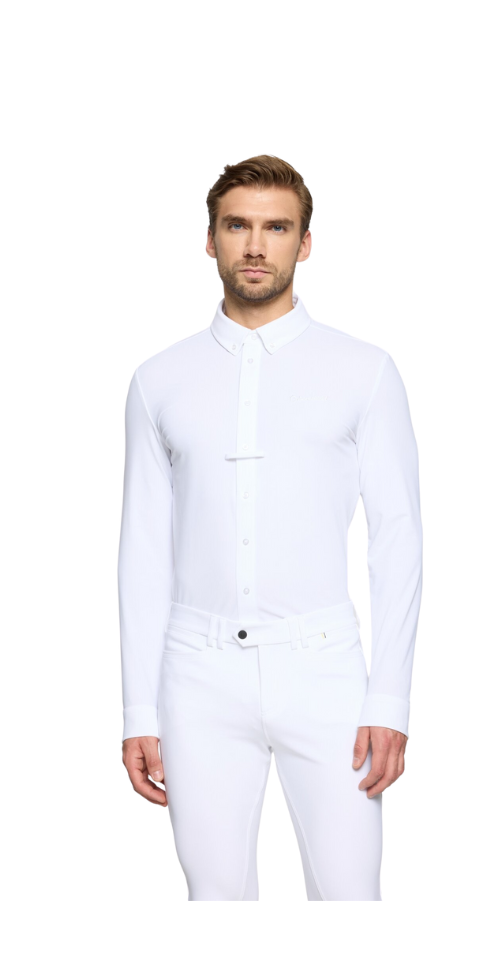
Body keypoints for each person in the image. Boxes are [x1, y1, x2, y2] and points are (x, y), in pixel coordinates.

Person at [117, 155, 422, 901]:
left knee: (350, 897)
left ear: (305, 243)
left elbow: (398, 540)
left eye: (277, 228)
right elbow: (143, 550)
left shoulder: (364, 371)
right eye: (238, 226)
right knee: (214, 902)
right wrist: (138, 709)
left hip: (326, 669)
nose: (256, 246)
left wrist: (390, 699)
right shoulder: (159, 380)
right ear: (211, 239)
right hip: (197, 672)